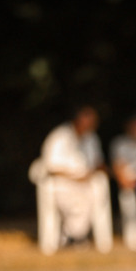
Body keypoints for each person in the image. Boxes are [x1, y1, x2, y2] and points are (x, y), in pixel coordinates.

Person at [37, 105, 110, 249]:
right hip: (61, 183)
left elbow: (98, 162)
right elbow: (50, 167)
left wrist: (96, 171)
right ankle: (72, 237)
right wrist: (75, 178)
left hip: (86, 183)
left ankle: (71, 236)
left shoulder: (92, 139)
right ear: (78, 119)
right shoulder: (59, 136)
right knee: (79, 205)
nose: (91, 125)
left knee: (96, 198)